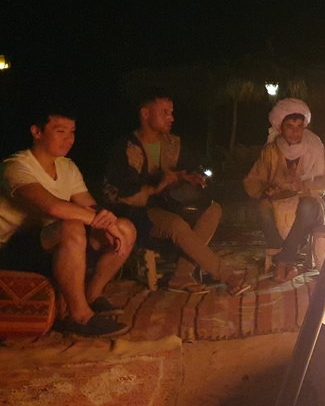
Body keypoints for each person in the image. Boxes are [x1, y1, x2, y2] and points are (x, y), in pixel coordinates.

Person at [0, 104, 135, 337]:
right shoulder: (15, 167)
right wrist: (102, 222)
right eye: (60, 131)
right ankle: (79, 317)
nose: (69, 139)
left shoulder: (67, 166)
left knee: (126, 228)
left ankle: (93, 295)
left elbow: (90, 206)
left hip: (50, 242)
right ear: (37, 132)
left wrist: (109, 220)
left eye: (72, 132)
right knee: (72, 226)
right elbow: (52, 206)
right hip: (11, 249)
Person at [103, 89, 250, 296]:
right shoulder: (127, 148)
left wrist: (193, 177)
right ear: (145, 114)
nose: (171, 118)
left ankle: (182, 275)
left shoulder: (173, 144)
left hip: (170, 205)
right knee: (176, 225)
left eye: (171, 113)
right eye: (164, 113)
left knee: (213, 209)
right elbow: (116, 193)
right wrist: (158, 184)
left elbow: (192, 169)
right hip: (140, 213)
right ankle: (227, 276)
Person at [244, 98, 325, 283]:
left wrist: (305, 186)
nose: (295, 132)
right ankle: (282, 252)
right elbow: (252, 181)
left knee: (307, 206)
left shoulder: (315, 148)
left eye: (299, 126)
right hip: (278, 205)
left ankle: (283, 260)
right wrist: (267, 191)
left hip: (308, 205)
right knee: (262, 206)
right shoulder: (271, 151)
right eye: (290, 126)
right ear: (280, 128)